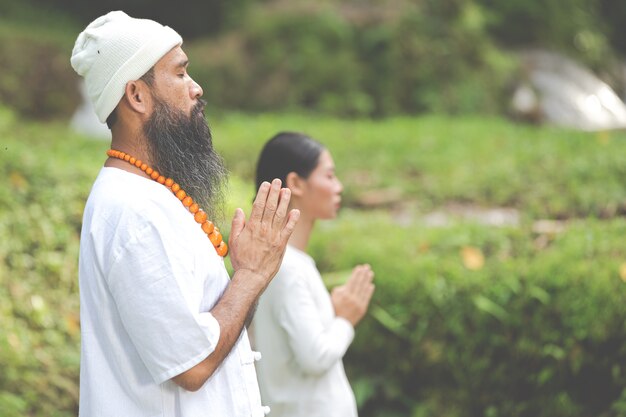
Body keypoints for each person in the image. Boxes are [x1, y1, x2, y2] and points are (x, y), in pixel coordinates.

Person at [70, 11, 299, 417]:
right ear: (137, 96)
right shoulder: (132, 210)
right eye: (180, 74)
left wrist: (246, 274)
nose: (197, 88)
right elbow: (192, 366)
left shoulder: (153, 195)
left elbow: (212, 333)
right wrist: (250, 275)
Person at [251, 132, 376, 417]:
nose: (338, 187)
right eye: (329, 176)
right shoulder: (288, 267)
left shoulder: (283, 262)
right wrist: (345, 318)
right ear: (296, 183)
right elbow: (315, 357)